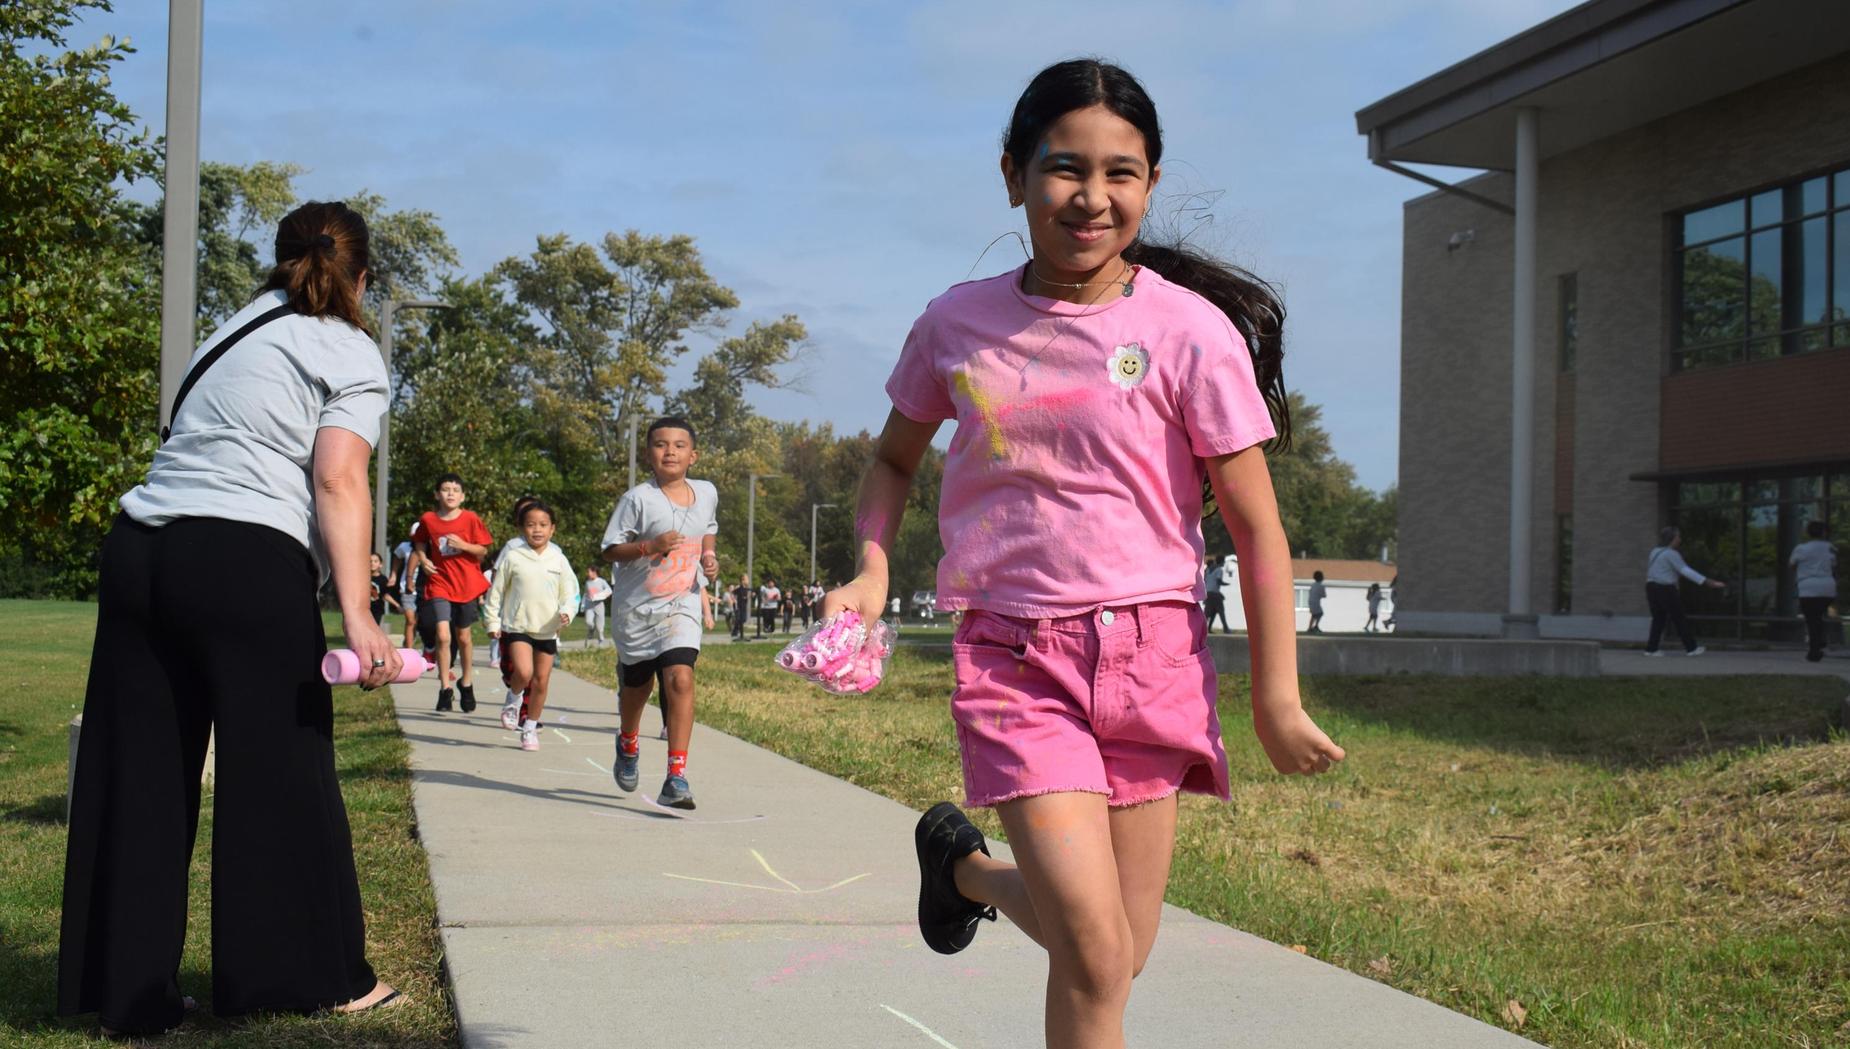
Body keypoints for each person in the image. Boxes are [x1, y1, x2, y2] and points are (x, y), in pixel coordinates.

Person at [821, 60, 1343, 1048]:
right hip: (1017, 660)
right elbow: (892, 460)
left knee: (1117, 953)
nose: (1092, 197)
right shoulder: (956, 324)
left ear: (1147, 185)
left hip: (1155, 662)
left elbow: (1255, 524)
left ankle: (963, 871)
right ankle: (972, 871)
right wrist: (873, 564)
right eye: (1065, 168)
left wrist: (1275, 694)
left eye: (1123, 173)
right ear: (1012, 173)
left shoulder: (1189, 334)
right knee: (1095, 950)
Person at [60, 201, 404, 1036]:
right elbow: (337, 480)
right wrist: (358, 613)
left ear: (279, 261)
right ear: (362, 279)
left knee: (139, 770)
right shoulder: (352, 349)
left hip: (139, 547)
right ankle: (301, 977)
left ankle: (125, 990)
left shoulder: (230, 329)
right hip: (243, 557)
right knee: (282, 767)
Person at [601, 417, 720, 809]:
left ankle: (677, 776)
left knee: (681, 678)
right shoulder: (637, 499)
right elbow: (609, 550)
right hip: (637, 610)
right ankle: (628, 740)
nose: (670, 451)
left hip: (681, 603)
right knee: (637, 688)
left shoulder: (706, 492)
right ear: (649, 453)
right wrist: (649, 545)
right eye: (660, 444)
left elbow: (709, 528)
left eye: (679, 445)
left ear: (693, 455)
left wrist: (709, 555)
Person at [483, 500, 578, 750]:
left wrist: (567, 611)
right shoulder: (514, 557)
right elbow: (496, 592)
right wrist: (492, 621)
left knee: (541, 682)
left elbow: (571, 592)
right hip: (518, 627)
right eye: (531, 525)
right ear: (521, 528)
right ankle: (513, 700)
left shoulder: (558, 559)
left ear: (552, 529)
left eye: (543, 525)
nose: (537, 530)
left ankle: (530, 728)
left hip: (547, 629)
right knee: (523, 673)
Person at [414, 474, 493, 711]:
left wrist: (463, 546)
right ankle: (444, 688)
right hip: (440, 581)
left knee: (464, 637)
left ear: (462, 496)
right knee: (443, 635)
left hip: (466, 584)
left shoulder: (470, 519)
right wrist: (423, 558)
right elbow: (419, 541)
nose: (450, 493)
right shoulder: (428, 519)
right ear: (437, 494)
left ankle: (466, 682)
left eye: (455, 490)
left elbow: (482, 552)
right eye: (446, 489)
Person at [1644, 525, 1726, 656]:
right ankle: (1691, 648)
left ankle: (1651, 649)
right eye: (1678, 536)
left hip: (1651, 588)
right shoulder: (1671, 554)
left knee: (1658, 619)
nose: (1680, 539)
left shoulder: (1654, 551)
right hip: (1665, 589)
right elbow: (1685, 571)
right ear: (1672, 538)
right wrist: (1708, 582)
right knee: (1679, 618)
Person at [1789, 521, 1838, 662]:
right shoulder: (1830, 548)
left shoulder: (1801, 548)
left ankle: (1814, 651)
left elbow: (1791, 565)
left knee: (1812, 620)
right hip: (1827, 586)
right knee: (1819, 616)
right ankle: (1821, 639)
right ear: (1824, 532)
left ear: (1808, 533)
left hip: (1808, 587)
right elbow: (1834, 565)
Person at [583, 565, 613, 649]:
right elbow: (585, 594)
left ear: (594, 572)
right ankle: (591, 630)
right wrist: (583, 604)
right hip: (589, 606)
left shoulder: (601, 581)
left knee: (600, 627)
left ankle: (600, 642)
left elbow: (609, 590)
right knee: (588, 622)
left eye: (588, 571)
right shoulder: (587, 582)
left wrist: (600, 595)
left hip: (599, 606)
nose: (587, 573)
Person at [369, 551, 401, 626]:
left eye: (375, 561)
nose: (372, 563)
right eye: (370, 561)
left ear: (380, 565)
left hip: (377, 610)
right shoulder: (363, 577)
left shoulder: (383, 579)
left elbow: (385, 595)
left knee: (374, 628)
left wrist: (397, 605)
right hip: (364, 610)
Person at [1203, 556, 1231, 633]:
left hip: (1208, 593)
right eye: (1224, 561)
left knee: (1211, 612)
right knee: (1221, 611)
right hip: (1215, 594)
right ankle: (1226, 628)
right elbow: (1218, 581)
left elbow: (1205, 581)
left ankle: (1206, 629)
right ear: (1221, 562)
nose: (1224, 563)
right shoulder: (1219, 570)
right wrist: (1226, 584)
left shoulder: (1208, 570)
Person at [730, 573, 752, 641]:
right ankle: (735, 631)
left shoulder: (746, 588)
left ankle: (736, 630)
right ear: (742, 580)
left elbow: (747, 596)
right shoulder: (739, 588)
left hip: (744, 606)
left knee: (743, 619)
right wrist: (734, 600)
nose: (748, 581)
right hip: (739, 606)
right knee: (740, 619)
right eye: (746, 579)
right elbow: (733, 593)